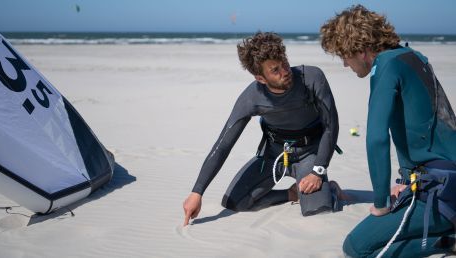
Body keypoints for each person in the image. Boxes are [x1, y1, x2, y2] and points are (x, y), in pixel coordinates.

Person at [320, 5, 456, 257]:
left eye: (343, 55)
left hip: (442, 191)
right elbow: (425, 126)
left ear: (360, 51)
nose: (344, 64)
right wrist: (405, 180)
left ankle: (449, 240)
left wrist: (381, 203)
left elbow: (377, 139)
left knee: (357, 248)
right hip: (443, 178)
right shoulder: (413, 57)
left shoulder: (385, 68)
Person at [183, 32, 343, 226]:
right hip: (274, 155)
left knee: (317, 212)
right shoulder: (251, 98)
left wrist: (318, 171)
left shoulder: (312, 78)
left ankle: (331, 190)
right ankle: (292, 193)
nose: (285, 71)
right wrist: (197, 192)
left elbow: (331, 125)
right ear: (260, 78)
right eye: (275, 70)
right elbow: (223, 145)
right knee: (235, 203)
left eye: (284, 62)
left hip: (310, 154)